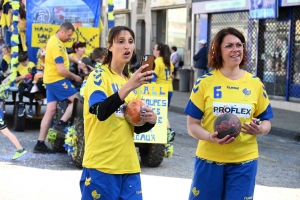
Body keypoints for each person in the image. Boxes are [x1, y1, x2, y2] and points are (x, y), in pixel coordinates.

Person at [184, 27, 274, 200]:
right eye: (229, 45)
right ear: (218, 50)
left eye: (239, 45)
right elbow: (192, 126)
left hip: (244, 161)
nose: (236, 49)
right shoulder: (204, 83)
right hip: (209, 159)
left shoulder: (255, 84)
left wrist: (260, 129)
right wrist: (211, 137)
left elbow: (267, 122)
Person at [80, 26, 157, 200]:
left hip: (129, 166)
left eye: (130, 42)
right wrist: (129, 85)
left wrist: (150, 120)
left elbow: (134, 126)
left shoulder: (130, 80)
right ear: (110, 46)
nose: (127, 46)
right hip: (102, 165)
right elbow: (100, 111)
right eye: (120, 42)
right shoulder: (99, 75)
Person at [33, 22, 82, 153]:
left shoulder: (58, 42)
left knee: (50, 110)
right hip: (57, 79)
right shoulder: (55, 44)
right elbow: (61, 69)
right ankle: (61, 123)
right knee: (78, 99)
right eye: (69, 35)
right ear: (62, 32)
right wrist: (75, 77)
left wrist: (79, 62)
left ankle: (40, 143)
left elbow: (66, 56)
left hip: (51, 80)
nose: (70, 38)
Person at [151, 42, 176, 141]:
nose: (153, 50)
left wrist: (151, 88)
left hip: (159, 89)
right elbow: (172, 76)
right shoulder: (169, 62)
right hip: (169, 89)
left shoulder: (157, 61)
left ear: (158, 51)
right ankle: (167, 130)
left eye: (154, 48)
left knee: (159, 111)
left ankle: (168, 131)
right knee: (164, 111)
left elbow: (153, 77)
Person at [16, 51, 36, 118]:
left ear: (27, 59)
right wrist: (18, 78)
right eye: (21, 62)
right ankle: (21, 105)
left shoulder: (32, 64)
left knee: (31, 90)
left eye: (24, 62)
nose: (23, 64)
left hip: (30, 82)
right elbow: (17, 76)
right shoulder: (19, 67)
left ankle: (30, 107)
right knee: (20, 90)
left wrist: (23, 76)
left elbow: (33, 74)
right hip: (22, 82)